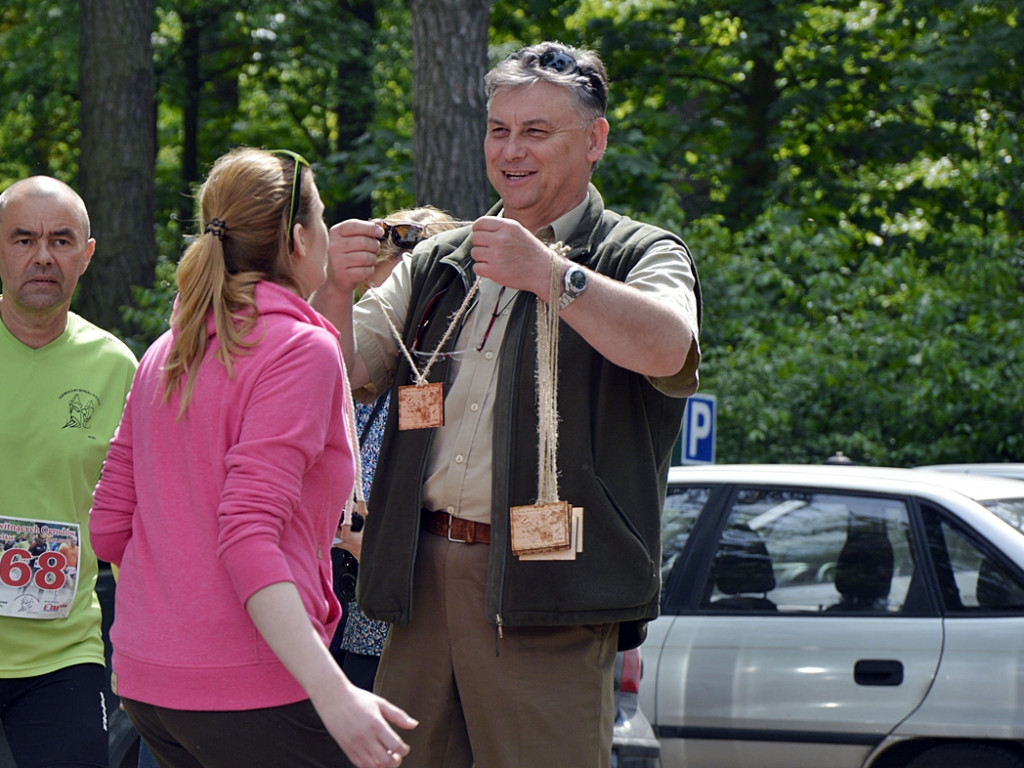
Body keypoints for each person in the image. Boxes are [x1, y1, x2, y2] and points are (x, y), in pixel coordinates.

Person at [312, 41, 702, 768]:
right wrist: (332, 290)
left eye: (536, 131)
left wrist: (551, 274)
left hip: (549, 592)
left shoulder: (638, 252)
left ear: (595, 140)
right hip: (417, 582)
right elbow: (339, 373)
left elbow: (670, 347)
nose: (511, 151)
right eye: (499, 130)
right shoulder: (441, 258)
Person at [88, 147, 416, 768]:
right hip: (253, 688)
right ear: (298, 240)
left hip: (148, 684)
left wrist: (171, 620)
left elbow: (107, 527)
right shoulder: (300, 349)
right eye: (322, 217)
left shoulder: (167, 348)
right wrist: (336, 695)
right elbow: (247, 535)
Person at [0, 176, 138, 768]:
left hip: (64, 653)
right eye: (23, 239)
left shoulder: (117, 367)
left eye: (60, 240)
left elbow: (133, 517)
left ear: (87, 254)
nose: (42, 256)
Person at [332, 206, 459, 691]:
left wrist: (373, 546)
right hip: (344, 628)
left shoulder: (455, 381)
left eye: (397, 305)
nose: (382, 322)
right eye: (372, 302)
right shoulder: (359, 383)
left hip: (410, 639)